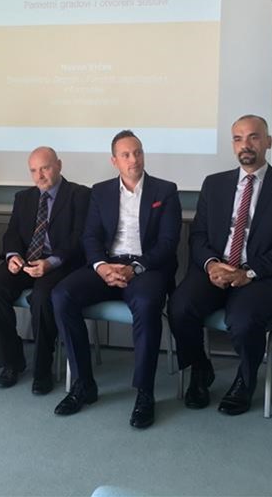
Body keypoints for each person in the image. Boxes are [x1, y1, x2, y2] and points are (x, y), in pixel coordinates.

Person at [169, 115, 272, 415]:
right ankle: (200, 369)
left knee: (243, 319)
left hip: (263, 276)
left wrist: (249, 273)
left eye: (253, 137)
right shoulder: (214, 184)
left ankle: (245, 380)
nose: (245, 145)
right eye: (238, 138)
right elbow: (198, 235)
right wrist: (211, 265)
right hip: (217, 269)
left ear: (268, 141)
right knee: (180, 307)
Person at [52, 130, 181, 428]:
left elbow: (168, 243)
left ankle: (144, 393)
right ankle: (83, 384)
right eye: (125, 155)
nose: (133, 159)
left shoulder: (165, 191)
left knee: (147, 304)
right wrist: (100, 267)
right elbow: (90, 236)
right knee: (61, 295)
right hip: (107, 264)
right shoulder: (100, 191)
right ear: (114, 161)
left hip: (146, 268)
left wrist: (135, 268)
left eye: (138, 152)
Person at [0, 147, 89, 394]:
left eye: (45, 168)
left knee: (42, 298)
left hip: (60, 263)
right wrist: (13, 256)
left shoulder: (80, 195)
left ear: (59, 165)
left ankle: (42, 369)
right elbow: (12, 233)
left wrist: (51, 262)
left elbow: (79, 237)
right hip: (26, 260)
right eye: (33, 170)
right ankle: (12, 362)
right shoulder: (24, 197)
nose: (39, 176)